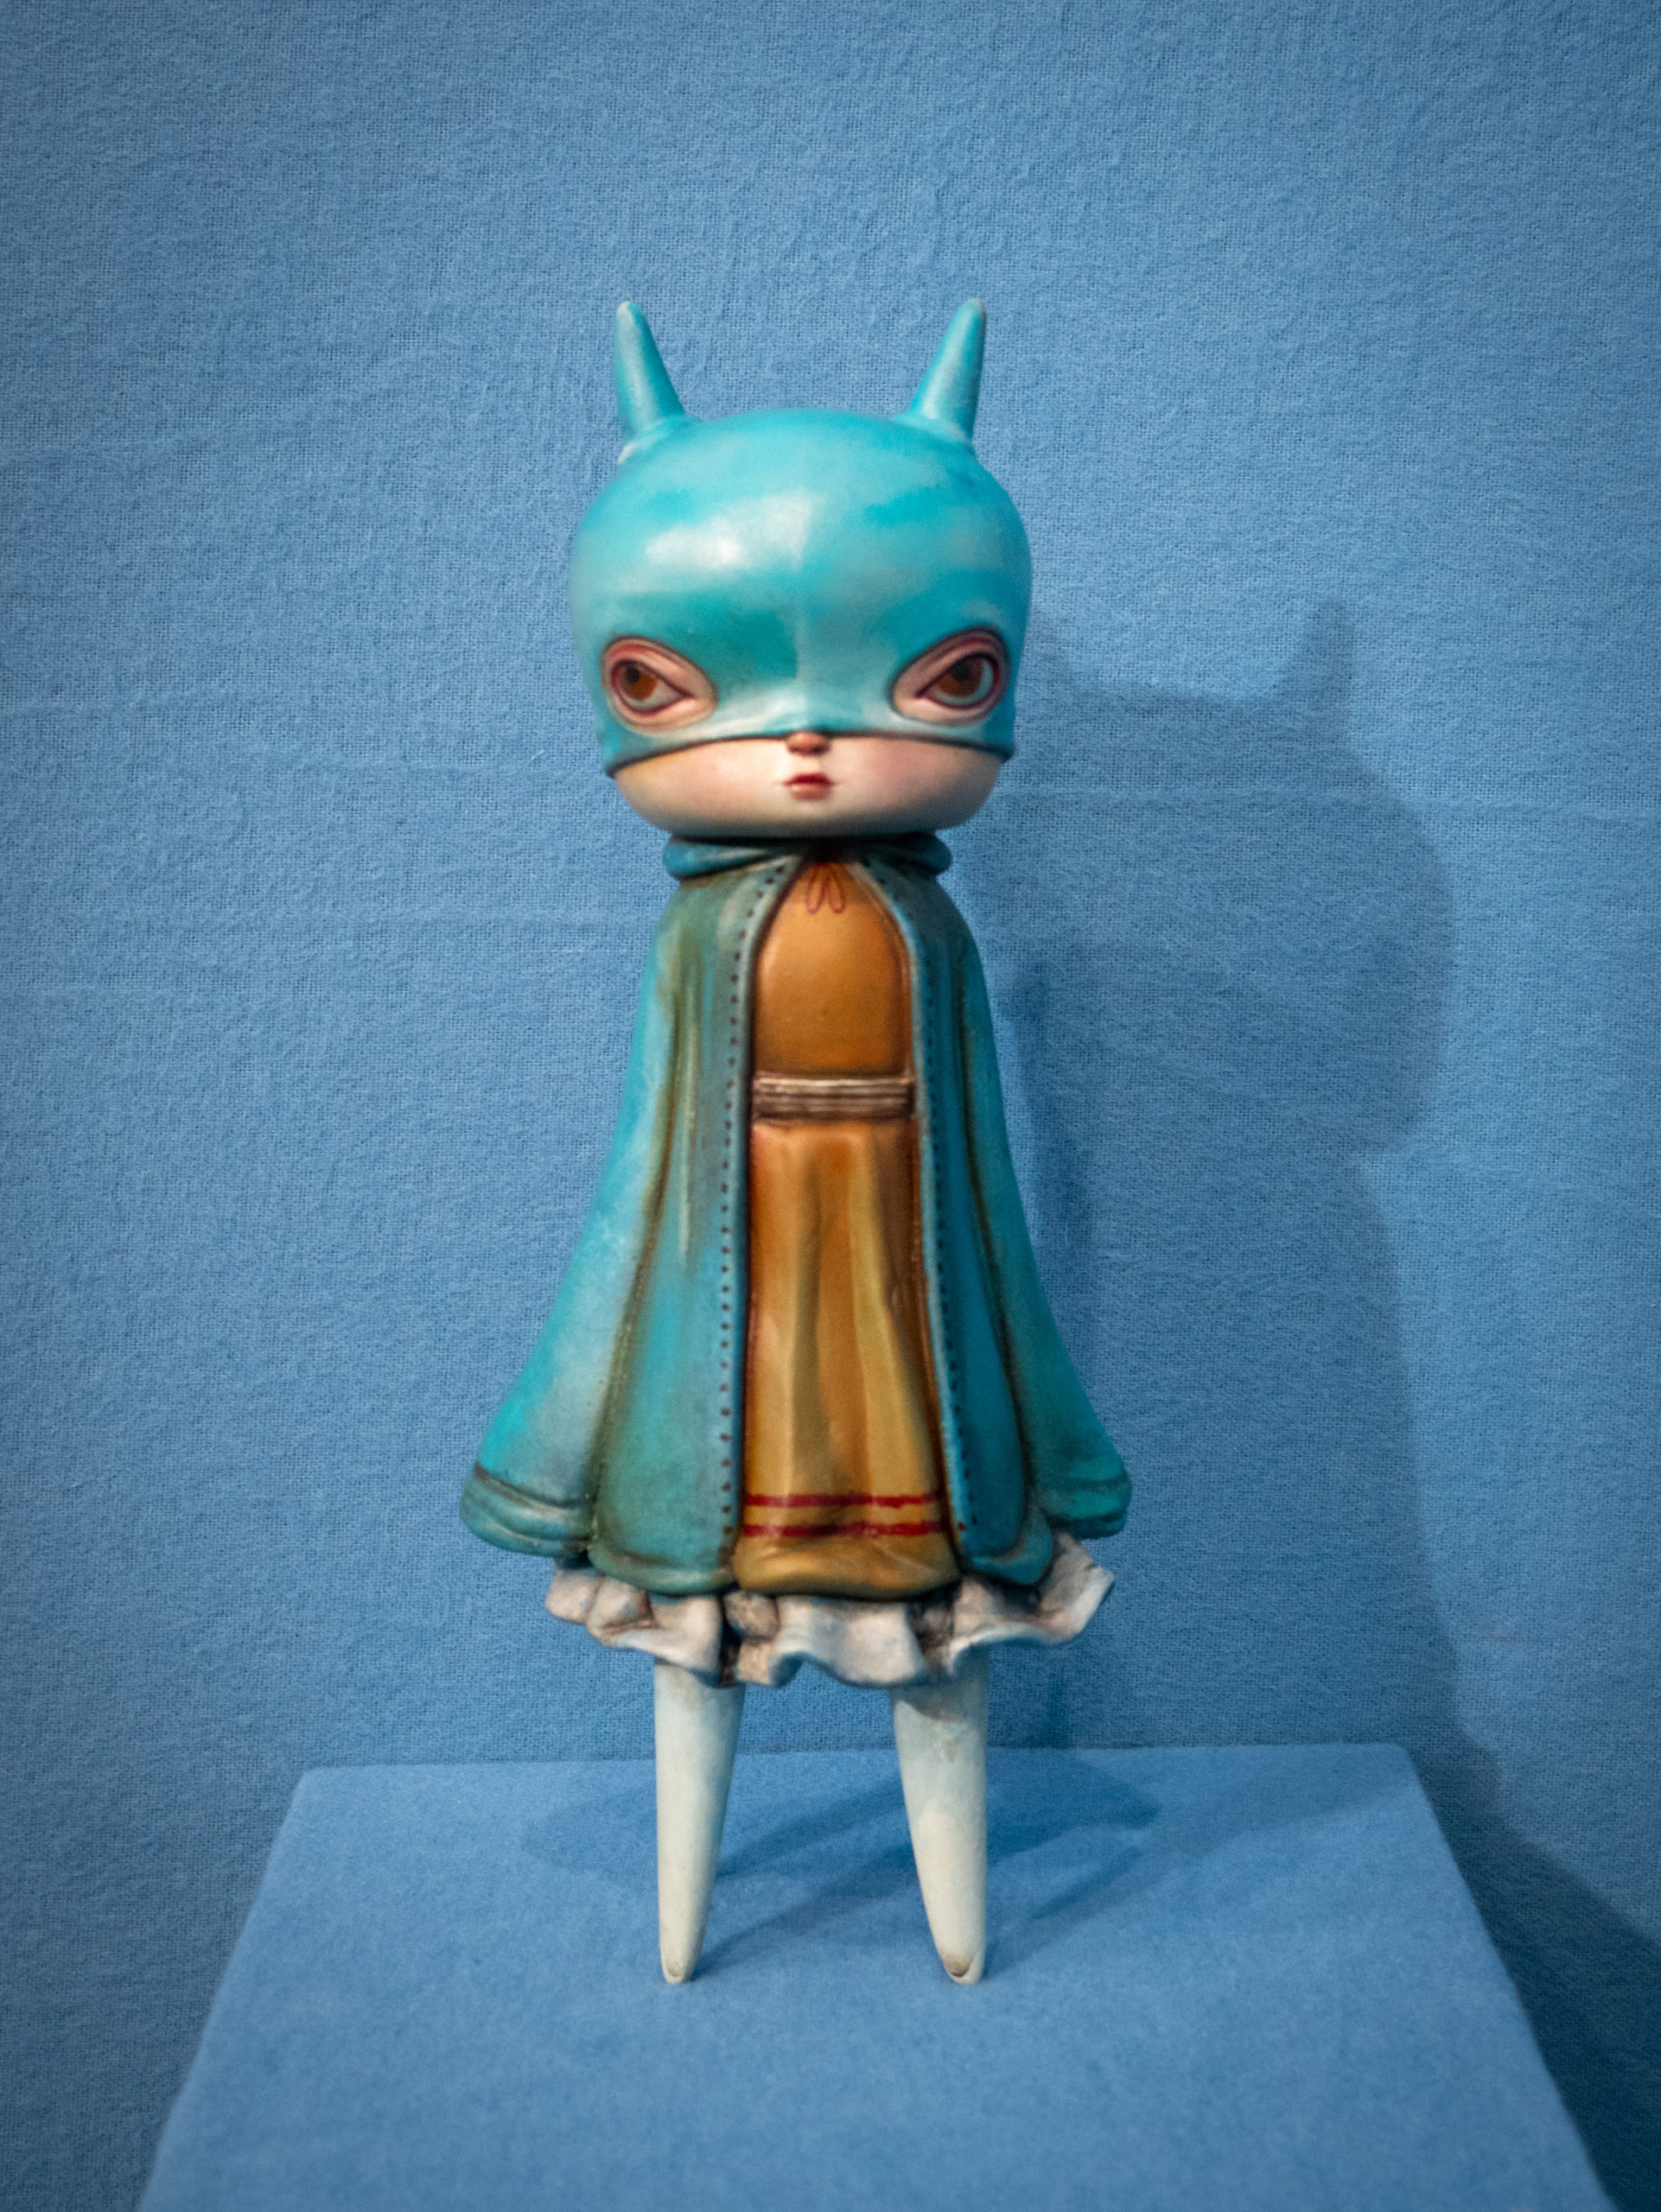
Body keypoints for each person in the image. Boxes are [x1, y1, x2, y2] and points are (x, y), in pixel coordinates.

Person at [461, 301, 1130, 1985]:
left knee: (936, 1634)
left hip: (906, 1330)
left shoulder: (925, 939)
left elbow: (982, 1194)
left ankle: (952, 1917)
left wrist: (1031, 1396)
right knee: (694, 1632)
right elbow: (642, 1180)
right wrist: (576, 1407)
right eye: (672, 685)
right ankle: (687, 1911)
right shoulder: (707, 939)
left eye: (936, 682)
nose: (810, 741)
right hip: (728, 1335)